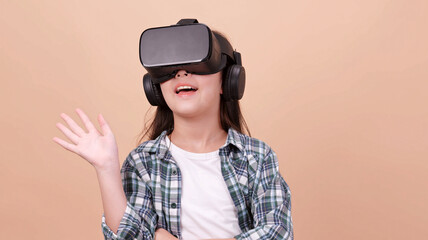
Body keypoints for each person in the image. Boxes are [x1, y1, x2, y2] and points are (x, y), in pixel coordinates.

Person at [53, 20, 293, 240]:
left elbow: (277, 232)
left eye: (198, 63)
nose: (181, 73)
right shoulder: (142, 162)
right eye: (169, 68)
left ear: (227, 80)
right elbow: (130, 236)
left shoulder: (257, 157)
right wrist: (106, 170)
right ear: (155, 88)